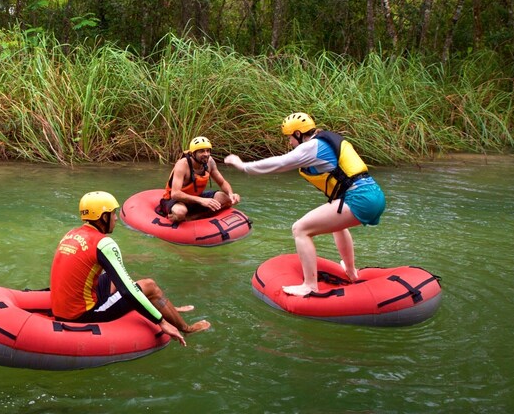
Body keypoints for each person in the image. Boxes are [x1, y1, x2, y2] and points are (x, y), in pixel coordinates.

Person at [224, 112, 386, 297]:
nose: (290, 143)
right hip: (374, 195)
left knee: (300, 229)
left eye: (290, 138)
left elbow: (279, 163)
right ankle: (351, 271)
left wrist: (243, 166)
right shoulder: (324, 141)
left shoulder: (311, 147)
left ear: (299, 134)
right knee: (337, 226)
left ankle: (310, 285)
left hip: (359, 198)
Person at [50, 191, 211, 345]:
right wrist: (160, 322)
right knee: (149, 286)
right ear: (103, 217)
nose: (116, 218)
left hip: (65, 308)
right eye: (113, 214)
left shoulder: (71, 233)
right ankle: (186, 329)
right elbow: (127, 290)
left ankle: (167, 307)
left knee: (114, 277)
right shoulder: (103, 243)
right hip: (84, 315)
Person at [157, 136, 241, 222]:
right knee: (180, 212)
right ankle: (180, 216)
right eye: (201, 151)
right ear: (193, 153)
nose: (206, 154)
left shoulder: (210, 162)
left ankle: (192, 217)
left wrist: (231, 194)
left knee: (227, 199)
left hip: (196, 198)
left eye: (208, 151)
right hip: (175, 200)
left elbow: (222, 182)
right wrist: (201, 200)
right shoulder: (182, 164)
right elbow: (175, 194)